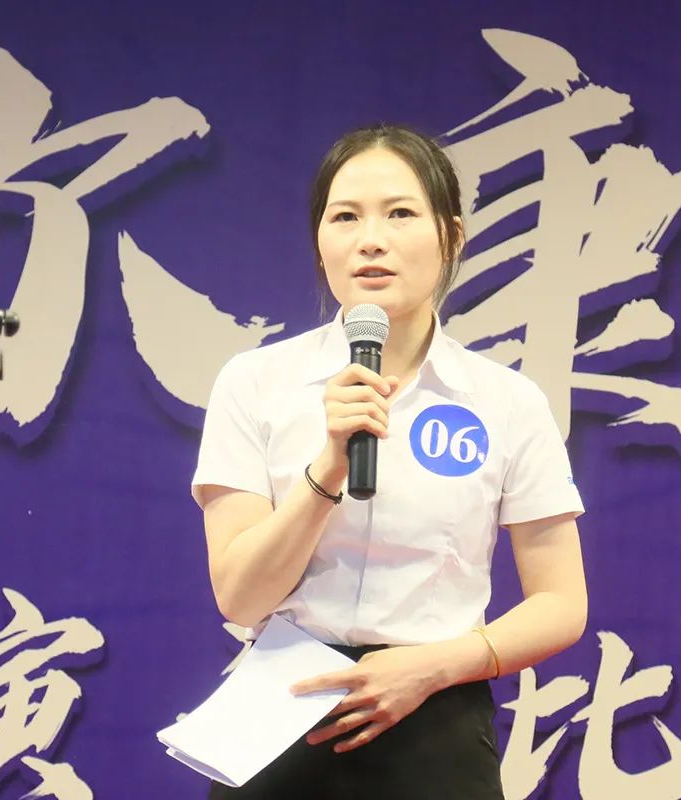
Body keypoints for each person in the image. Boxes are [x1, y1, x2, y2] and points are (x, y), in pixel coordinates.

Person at [192, 124, 587, 799]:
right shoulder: (254, 383)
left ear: (450, 237)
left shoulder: (507, 402)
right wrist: (329, 467)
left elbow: (561, 602)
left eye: (400, 213)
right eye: (345, 217)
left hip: (437, 715)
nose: (370, 239)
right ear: (321, 242)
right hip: (279, 715)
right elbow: (240, 596)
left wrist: (433, 667)